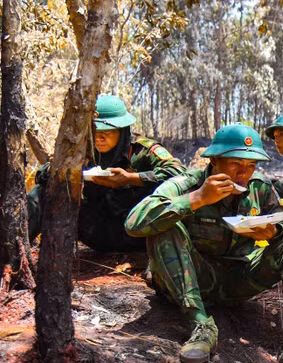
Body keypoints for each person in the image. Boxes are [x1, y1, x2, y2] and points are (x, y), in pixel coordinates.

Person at [125, 124, 283, 363]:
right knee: (166, 227)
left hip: (239, 279)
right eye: (235, 164)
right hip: (194, 278)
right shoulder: (188, 183)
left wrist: (274, 232)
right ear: (213, 160)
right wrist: (197, 199)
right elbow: (134, 223)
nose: (243, 173)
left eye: (250, 165)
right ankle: (200, 325)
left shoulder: (259, 188)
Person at [27, 94, 185, 252]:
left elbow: (179, 173)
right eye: (95, 131)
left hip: (138, 233)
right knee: (41, 193)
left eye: (107, 132)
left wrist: (131, 179)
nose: (99, 138)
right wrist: (55, 168)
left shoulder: (143, 150)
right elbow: (41, 175)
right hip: (96, 230)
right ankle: (15, 253)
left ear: (122, 130)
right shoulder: (82, 150)